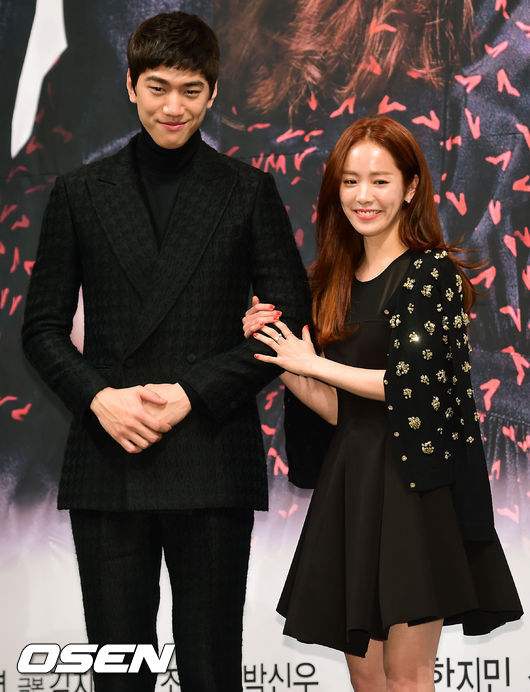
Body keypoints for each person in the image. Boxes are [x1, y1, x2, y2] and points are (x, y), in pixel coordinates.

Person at [22, 11, 310, 692]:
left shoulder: (247, 190)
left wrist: (192, 393)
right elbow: (41, 328)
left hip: (210, 452)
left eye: (190, 90)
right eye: (157, 87)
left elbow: (290, 318)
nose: (173, 106)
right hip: (108, 453)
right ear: (130, 86)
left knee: (212, 670)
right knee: (120, 673)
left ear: (212, 93)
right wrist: (100, 399)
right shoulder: (79, 192)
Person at [243, 116, 522, 691]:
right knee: (365, 677)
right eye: (350, 181)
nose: (363, 196)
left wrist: (313, 362)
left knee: (408, 679)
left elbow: (417, 386)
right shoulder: (331, 281)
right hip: (352, 484)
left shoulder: (432, 273)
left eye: (379, 180)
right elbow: (341, 411)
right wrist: (279, 351)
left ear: (410, 187)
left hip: (416, 489)